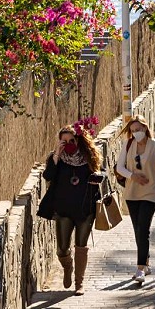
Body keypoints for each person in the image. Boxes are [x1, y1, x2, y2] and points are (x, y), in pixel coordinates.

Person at [43, 126, 104, 296]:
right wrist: (57, 153)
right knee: (62, 248)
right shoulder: (56, 159)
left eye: (72, 140)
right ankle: (67, 266)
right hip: (63, 210)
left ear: (78, 140)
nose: (69, 144)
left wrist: (98, 178)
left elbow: (102, 172)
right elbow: (48, 176)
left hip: (85, 209)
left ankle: (80, 283)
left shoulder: (89, 157)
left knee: (81, 245)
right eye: (65, 141)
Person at [114, 115, 155, 285]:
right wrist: (133, 176)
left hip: (150, 193)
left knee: (143, 228)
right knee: (138, 230)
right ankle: (147, 262)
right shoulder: (128, 145)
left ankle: (140, 269)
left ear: (145, 128)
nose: (136, 133)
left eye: (138, 129)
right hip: (132, 192)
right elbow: (119, 167)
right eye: (133, 130)